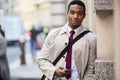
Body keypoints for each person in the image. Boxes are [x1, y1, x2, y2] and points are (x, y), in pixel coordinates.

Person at [37, 0, 96, 80]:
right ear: (67, 13)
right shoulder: (53, 34)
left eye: (79, 13)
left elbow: (90, 69)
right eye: (72, 12)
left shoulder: (91, 38)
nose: (75, 16)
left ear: (84, 15)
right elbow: (42, 60)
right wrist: (54, 71)